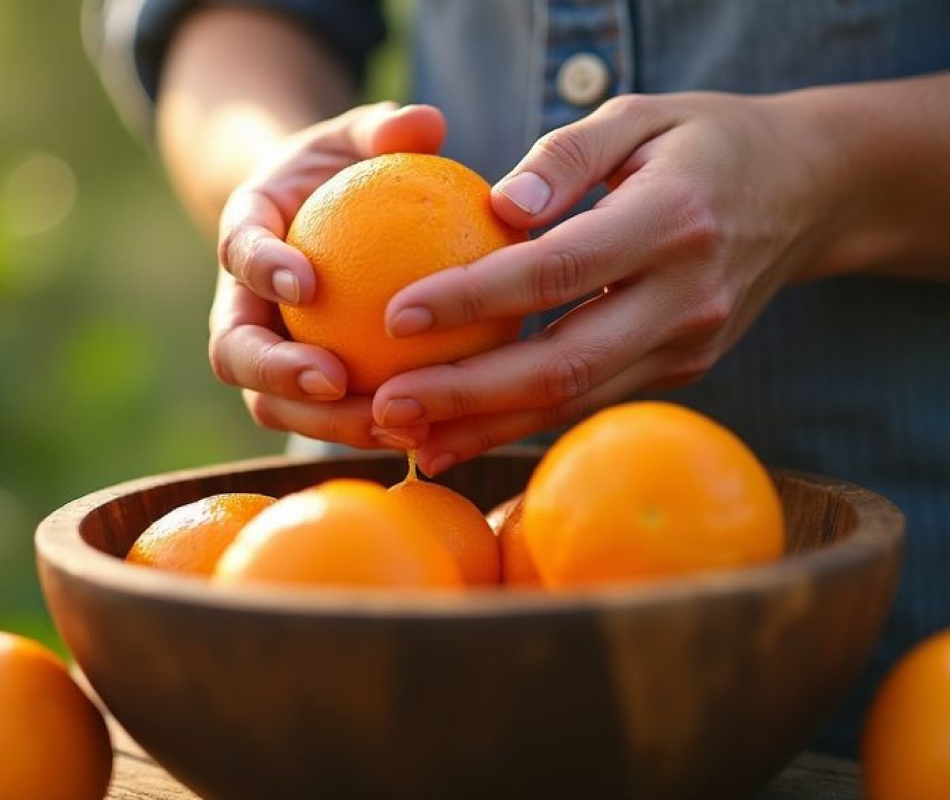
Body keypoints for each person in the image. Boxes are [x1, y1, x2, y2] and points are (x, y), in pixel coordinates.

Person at [85, 0, 950, 755]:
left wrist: (824, 174)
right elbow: (228, 21)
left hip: (858, 664)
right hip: (349, 625)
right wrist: (269, 189)